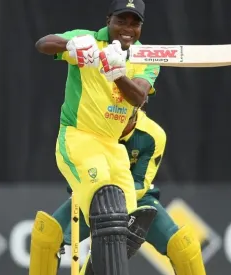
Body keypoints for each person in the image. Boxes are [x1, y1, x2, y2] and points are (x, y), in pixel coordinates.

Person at [29, 0, 160, 274]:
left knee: (124, 224)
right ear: (108, 19)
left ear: (141, 27)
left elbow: (138, 96)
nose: (127, 28)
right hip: (79, 137)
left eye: (134, 23)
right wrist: (70, 46)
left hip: (114, 147)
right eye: (121, 21)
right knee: (106, 198)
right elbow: (43, 44)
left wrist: (117, 74)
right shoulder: (86, 40)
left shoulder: (145, 56)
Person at [32, 109, 208, 275]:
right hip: (93, 197)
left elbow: (140, 184)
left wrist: (114, 205)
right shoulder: (93, 126)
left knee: (185, 248)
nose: (117, 116)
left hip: (137, 200)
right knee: (46, 235)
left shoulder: (153, 135)